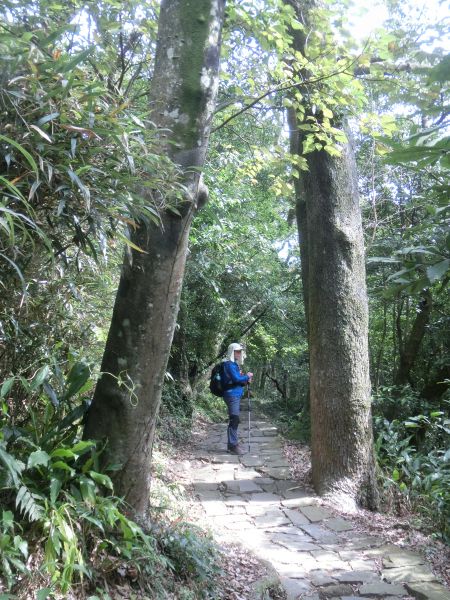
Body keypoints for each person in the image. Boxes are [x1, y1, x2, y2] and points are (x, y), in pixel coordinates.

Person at [222, 342, 253, 455]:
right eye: (237, 351)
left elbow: (237, 381)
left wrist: (245, 380)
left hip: (234, 394)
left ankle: (232, 445)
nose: (239, 353)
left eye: (240, 351)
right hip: (231, 395)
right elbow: (236, 379)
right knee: (234, 419)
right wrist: (247, 376)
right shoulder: (229, 364)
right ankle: (233, 446)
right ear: (232, 352)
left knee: (234, 419)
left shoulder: (234, 364)